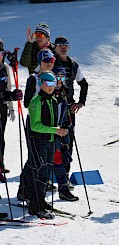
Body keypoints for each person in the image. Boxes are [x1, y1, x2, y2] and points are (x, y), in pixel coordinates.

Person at [24, 72, 68, 219]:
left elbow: (53, 122)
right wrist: (54, 130)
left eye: (53, 83)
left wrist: (61, 128)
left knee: (47, 172)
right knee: (41, 172)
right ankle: (35, 206)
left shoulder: (53, 100)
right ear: (41, 83)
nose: (50, 87)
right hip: (39, 142)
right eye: (47, 84)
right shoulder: (37, 101)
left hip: (50, 141)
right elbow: (35, 126)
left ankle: (40, 201)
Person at [17, 49, 56, 202]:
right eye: (46, 61)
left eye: (51, 61)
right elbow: (27, 102)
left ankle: (32, 191)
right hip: (35, 121)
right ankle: (26, 191)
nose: (49, 64)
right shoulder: (34, 78)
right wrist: (40, 97)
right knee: (34, 160)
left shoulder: (51, 78)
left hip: (48, 123)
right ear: (40, 62)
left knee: (39, 160)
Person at [53, 36, 88, 186]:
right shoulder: (50, 61)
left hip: (68, 109)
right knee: (53, 142)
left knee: (68, 143)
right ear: (55, 47)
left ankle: (64, 176)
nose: (63, 47)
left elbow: (84, 84)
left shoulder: (74, 65)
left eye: (65, 45)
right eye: (60, 45)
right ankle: (49, 176)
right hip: (53, 107)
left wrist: (81, 102)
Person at [52, 66, 79, 202]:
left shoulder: (63, 94)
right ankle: (26, 188)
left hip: (61, 132)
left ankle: (63, 189)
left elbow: (64, 114)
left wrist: (66, 124)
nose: (59, 80)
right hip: (48, 132)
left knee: (61, 158)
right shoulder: (48, 92)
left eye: (62, 78)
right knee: (40, 162)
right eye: (57, 77)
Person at [0, 39, 23, 177]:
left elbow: (6, 89)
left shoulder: (4, 68)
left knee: (1, 137)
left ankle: (0, 164)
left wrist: (13, 97)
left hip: (2, 107)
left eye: (1, 53)